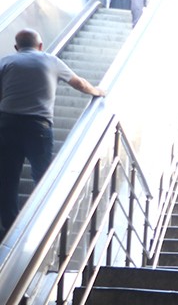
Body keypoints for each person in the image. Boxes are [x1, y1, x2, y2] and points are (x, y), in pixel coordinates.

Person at [0, 30, 106, 229]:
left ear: (17, 48)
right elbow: (79, 83)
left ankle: (9, 227)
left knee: (7, 178)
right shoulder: (51, 60)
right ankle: (42, 223)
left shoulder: (5, 62)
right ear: (40, 45)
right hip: (37, 127)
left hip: (7, 125)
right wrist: (98, 91)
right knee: (42, 175)